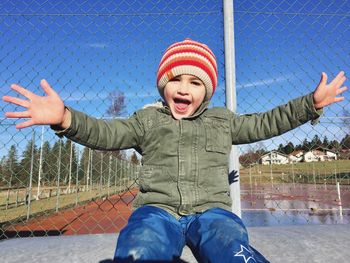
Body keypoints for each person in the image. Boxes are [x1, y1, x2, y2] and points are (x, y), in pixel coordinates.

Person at [2, 38, 347, 263]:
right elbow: (106, 132)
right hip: (157, 211)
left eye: (195, 82)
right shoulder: (146, 120)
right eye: (176, 81)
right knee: (140, 247)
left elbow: (265, 124)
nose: (184, 89)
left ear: (207, 90)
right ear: (163, 85)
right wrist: (65, 118)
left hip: (212, 211)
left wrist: (309, 105)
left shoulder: (222, 120)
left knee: (231, 248)